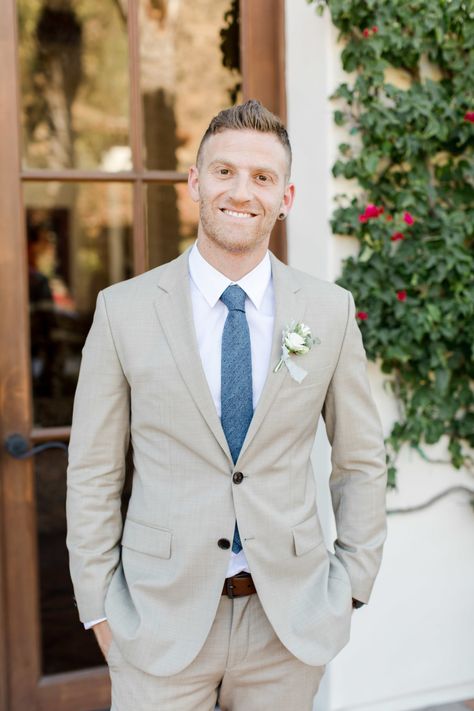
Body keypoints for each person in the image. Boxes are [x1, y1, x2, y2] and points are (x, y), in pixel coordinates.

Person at [66, 99, 387, 711]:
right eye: (224, 172)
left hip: (287, 626)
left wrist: (350, 588)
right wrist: (99, 610)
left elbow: (362, 460)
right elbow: (93, 472)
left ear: (286, 197)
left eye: (263, 177)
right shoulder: (122, 310)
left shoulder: (329, 311)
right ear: (194, 182)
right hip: (156, 622)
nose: (242, 191)